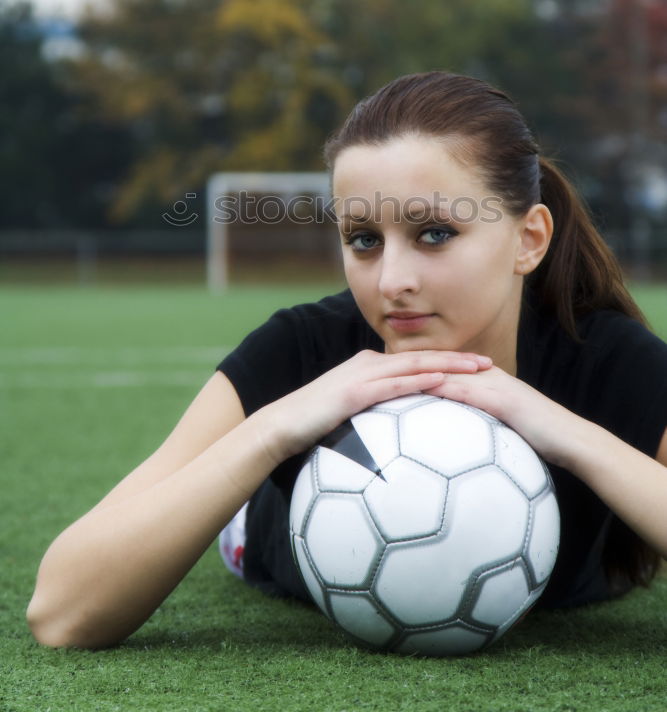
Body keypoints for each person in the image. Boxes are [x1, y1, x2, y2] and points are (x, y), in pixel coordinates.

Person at [27, 70, 667, 650]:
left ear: (528, 240)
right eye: (363, 240)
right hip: (259, 544)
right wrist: (272, 431)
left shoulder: (604, 360)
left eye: (434, 234)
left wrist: (573, 436)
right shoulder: (300, 350)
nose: (391, 280)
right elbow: (60, 611)